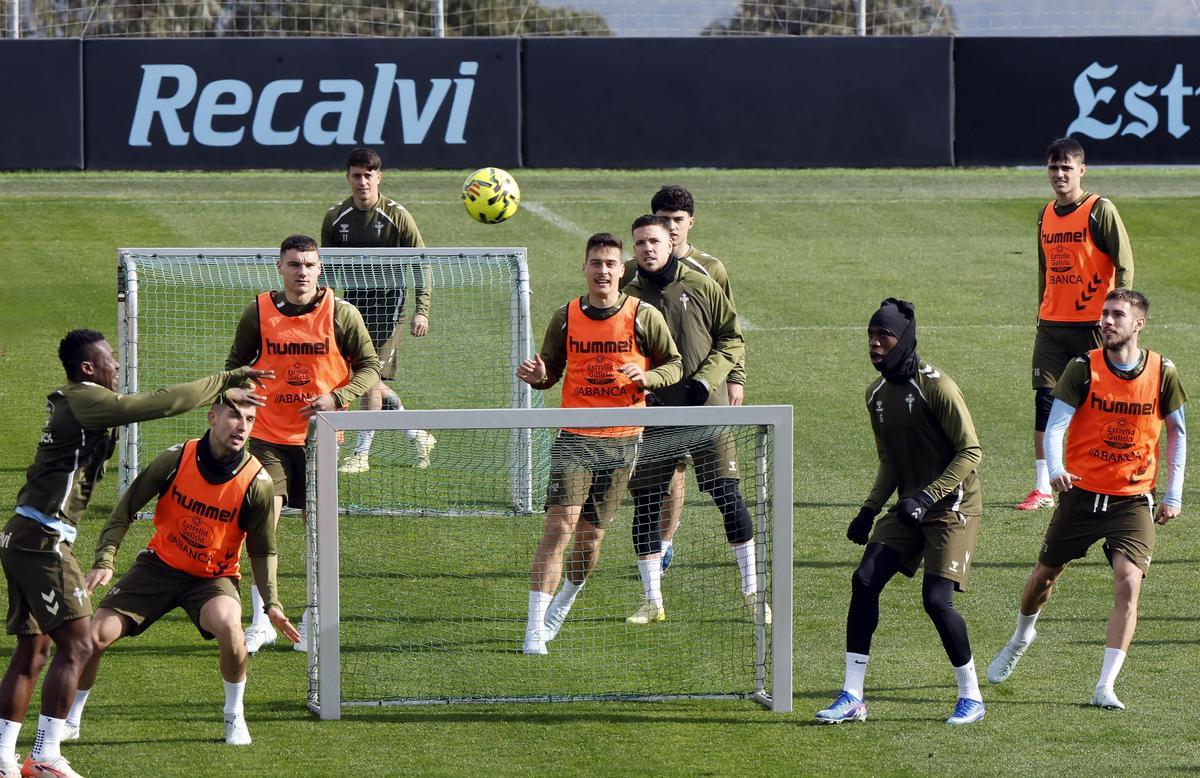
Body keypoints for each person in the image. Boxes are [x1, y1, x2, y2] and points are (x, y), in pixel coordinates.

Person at [0, 329, 270, 778]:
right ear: (88, 368)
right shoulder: (85, 399)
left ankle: (5, 756)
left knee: (34, 651)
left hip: (25, 536)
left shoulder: (76, 402)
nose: (118, 366)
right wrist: (228, 377)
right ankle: (45, 756)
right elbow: (155, 404)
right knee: (82, 642)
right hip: (42, 540)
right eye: (110, 359)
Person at [988, 289, 1186, 710]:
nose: (1107, 321)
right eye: (1105, 314)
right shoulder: (1083, 368)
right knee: (1044, 576)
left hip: (1132, 500)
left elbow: (1177, 432)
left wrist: (1173, 494)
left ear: (1139, 324)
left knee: (1129, 582)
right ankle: (1022, 635)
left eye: (1117, 315)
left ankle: (1104, 686)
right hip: (1081, 493)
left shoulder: (1162, 371)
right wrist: (1056, 469)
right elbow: (1056, 423)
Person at [73, 395, 301, 748]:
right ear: (212, 416)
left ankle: (234, 715)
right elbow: (126, 509)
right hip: (158, 567)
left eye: (250, 419)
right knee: (92, 638)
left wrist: (272, 604)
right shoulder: (176, 459)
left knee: (232, 630)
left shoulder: (257, 481)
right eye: (234, 415)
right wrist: (106, 558)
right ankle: (71, 718)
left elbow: (262, 549)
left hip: (212, 579)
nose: (242, 425)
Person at [816, 298, 986, 727]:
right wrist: (869, 510)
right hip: (910, 505)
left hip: (952, 507)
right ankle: (852, 695)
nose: (874, 344)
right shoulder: (875, 395)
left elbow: (970, 451)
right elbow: (890, 461)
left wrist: (928, 497)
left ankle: (972, 696)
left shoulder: (938, 387)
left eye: (883, 336)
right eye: (871, 336)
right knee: (864, 579)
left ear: (903, 339)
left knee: (936, 601)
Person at [515, 233, 682, 655]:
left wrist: (648, 378)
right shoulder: (566, 317)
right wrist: (540, 378)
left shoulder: (643, 316)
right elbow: (551, 370)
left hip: (624, 442)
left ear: (622, 270)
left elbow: (675, 364)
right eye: (596, 263)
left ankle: (561, 608)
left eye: (610, 263)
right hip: (575, 439)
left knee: (589, 542)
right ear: (584, 268)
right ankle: (534, 629)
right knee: (559, 527)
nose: (603, 270)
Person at [227, 235, 380, 655]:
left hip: (320, 437)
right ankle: (262, 621)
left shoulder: (342, 314)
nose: (302, 272)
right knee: (262, 526)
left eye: (309, 264)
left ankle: (313, 617)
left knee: (317, 532)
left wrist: (339, 397)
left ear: (320, 268)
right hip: (268, 437)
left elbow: (370, 367)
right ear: (280, 267)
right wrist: (241, 390)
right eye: (294, 264)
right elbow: (233, 367)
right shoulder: (258, 312)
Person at [622, 215, 763, 626]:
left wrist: (708, 380)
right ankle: (653, 601)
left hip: (707, 410)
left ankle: (753, 593)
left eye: (654, 241)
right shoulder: (628, 296)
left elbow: (732, 338)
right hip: (654, 415)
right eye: (639, 243)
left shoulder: (702, 284)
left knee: (727, 496)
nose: (647, 249)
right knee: (647, 503)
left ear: (671, 242)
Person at [1019, 138, 1134, 511]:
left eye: (1067, 167)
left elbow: (1124, 263)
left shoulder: (1100, 210)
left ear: (1082, 169)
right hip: (1052, 325)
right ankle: (1043, 487)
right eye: (1054, 167)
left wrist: (1120, 315)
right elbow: (1045, 270)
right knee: (1045, 400)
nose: (1059, 174)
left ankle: (1105, 477)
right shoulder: (1045, 214)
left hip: (1093, 325)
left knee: (1099, 404)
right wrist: (1041, 310)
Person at [321, 147, 436, 474]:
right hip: (350, 309)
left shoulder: (397, 216)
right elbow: (326, 270)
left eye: (368, 175)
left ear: (378, 177)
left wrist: (421, 310)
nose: (362, 182)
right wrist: (323, 309)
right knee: (363, 377)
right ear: (348, 177)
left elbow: (421, 262)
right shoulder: (335, 218)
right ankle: (417, 434)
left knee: (368, 376)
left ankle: (361, 454)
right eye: (356, 175)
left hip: (390, 307)